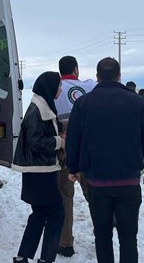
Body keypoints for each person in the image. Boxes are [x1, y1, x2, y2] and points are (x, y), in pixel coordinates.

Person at [66, 57, 144, 263]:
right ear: (119, 76)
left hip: (96, 183)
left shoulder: (83, 103)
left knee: (102, 236)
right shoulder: (138, 102)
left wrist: (73, 167)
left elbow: (73, 139)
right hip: (129, 181)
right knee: (128, 238)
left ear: (98, 77)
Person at [12, 72, 65, 263]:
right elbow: (35, 142)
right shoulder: (38, 109)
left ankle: (22, 256)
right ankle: (46, 259)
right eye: (59, 86)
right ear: (50, 87)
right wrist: (59, 142)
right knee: (57, 213)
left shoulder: (42, 105)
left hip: (37, 171)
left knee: (40, 213)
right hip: (40, 171)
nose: (60, 89)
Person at [53, 55, 97, 257]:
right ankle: (102, 235)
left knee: (64, 194)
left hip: (64, 143)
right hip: (88, 143)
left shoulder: (56, 89)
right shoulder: (89, 87)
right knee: (95, 194)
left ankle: (65, 243)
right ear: (76, 69)